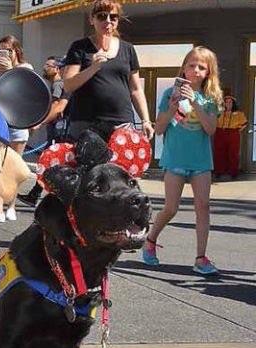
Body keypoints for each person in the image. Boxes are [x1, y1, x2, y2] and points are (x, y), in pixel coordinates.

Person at [142, 46, 222, 275]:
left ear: (208, 72)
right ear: (184, 68)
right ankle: (150, 240)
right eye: (191, 65)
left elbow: (210, 129)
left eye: (201, 67)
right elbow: (159, 129)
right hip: (175, 157)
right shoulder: (170, 93)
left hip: (200, 161)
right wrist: (171, 108)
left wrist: (195, 102)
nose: (195, 70)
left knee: (203, 207)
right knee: (171, 207)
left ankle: (200, 257)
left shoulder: (211, 98)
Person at [61, 0, 154, 142]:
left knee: (120, 164)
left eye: (113, 17)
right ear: (92, 20)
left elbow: (136, 89)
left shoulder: (127, 49)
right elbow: (68, 85)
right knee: (88, 164)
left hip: (121, 122)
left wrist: (145, 120)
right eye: (102, 16)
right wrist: (93, 68)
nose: (108, 21)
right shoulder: (79, 47)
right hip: (87, 122)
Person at [0, 35, 32, 222]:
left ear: (16, 51)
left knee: (15, 166)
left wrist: (11, 72)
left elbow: (24, 92)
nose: (5, 55)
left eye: (8, 51)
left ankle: (12, 205)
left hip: (18, 122)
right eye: (1, 51)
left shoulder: (25, 69)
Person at [18, 56, 70, 207]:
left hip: (58, 132)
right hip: (57, 130)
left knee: (49, 161)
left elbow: (55, 107)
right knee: (51, 162)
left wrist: (39, 122)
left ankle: (37, 194)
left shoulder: (58, 85)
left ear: (57, 69)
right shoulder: (58, 84)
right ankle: (36, 194)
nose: (45, 68)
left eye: (49, 65)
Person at [213, 93, 247, 180]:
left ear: (233, 104)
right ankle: (219, 171)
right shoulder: (219, 112)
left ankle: (233, 172)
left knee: (233, 153)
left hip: (233, 133)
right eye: (226, 102)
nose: (228, 104)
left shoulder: (239, 113)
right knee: (219, 152)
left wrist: (236, 130)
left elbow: (244, 124)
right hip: (220, 132)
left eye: (230, 102)